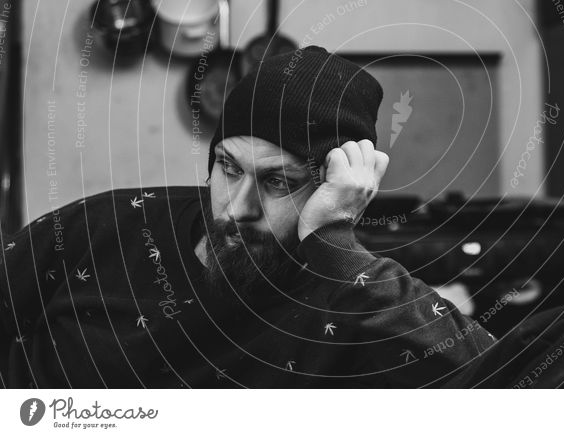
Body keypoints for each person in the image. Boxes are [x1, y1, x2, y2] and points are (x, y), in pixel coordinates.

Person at [0, 46, 496, 388]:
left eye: (278, 181)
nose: (237, 208)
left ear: (335, 187)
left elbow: (501, 386)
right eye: (229, 168)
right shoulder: (104, 227)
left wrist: (338, 250)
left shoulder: (350, 292)